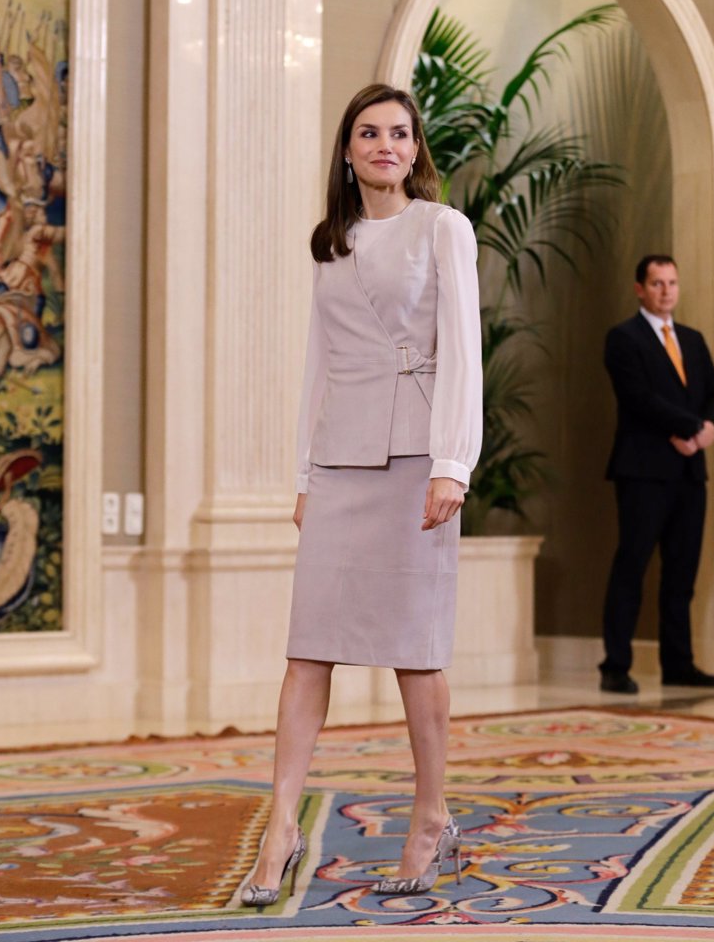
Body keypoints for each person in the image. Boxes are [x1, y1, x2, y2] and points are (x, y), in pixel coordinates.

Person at [240, 84, 483, 908]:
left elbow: (464, 352)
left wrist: (453, 463)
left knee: (417, 650)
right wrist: (304, 474)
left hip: (418, 459)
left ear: (416, 151)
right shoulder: (330, 244)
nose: (386, 145)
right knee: (307, 649)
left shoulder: (442, 228)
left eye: (400, 133)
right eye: (369, 133)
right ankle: (280, 827)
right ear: (347, 152)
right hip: (340, 462)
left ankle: (431, 815)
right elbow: (320, 364)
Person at [599, 254, 714, 695]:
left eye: (672, 282)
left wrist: (705, 428)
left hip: (689, 471)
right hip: (643, 471)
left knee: (682, 572)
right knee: (632, 566)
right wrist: (689, 428)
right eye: (657, 283)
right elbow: (638, 398)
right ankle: (615, 665)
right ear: (640, 288)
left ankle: (679, 664)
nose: (666, 291)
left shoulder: (692, 339)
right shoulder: (623, 338)